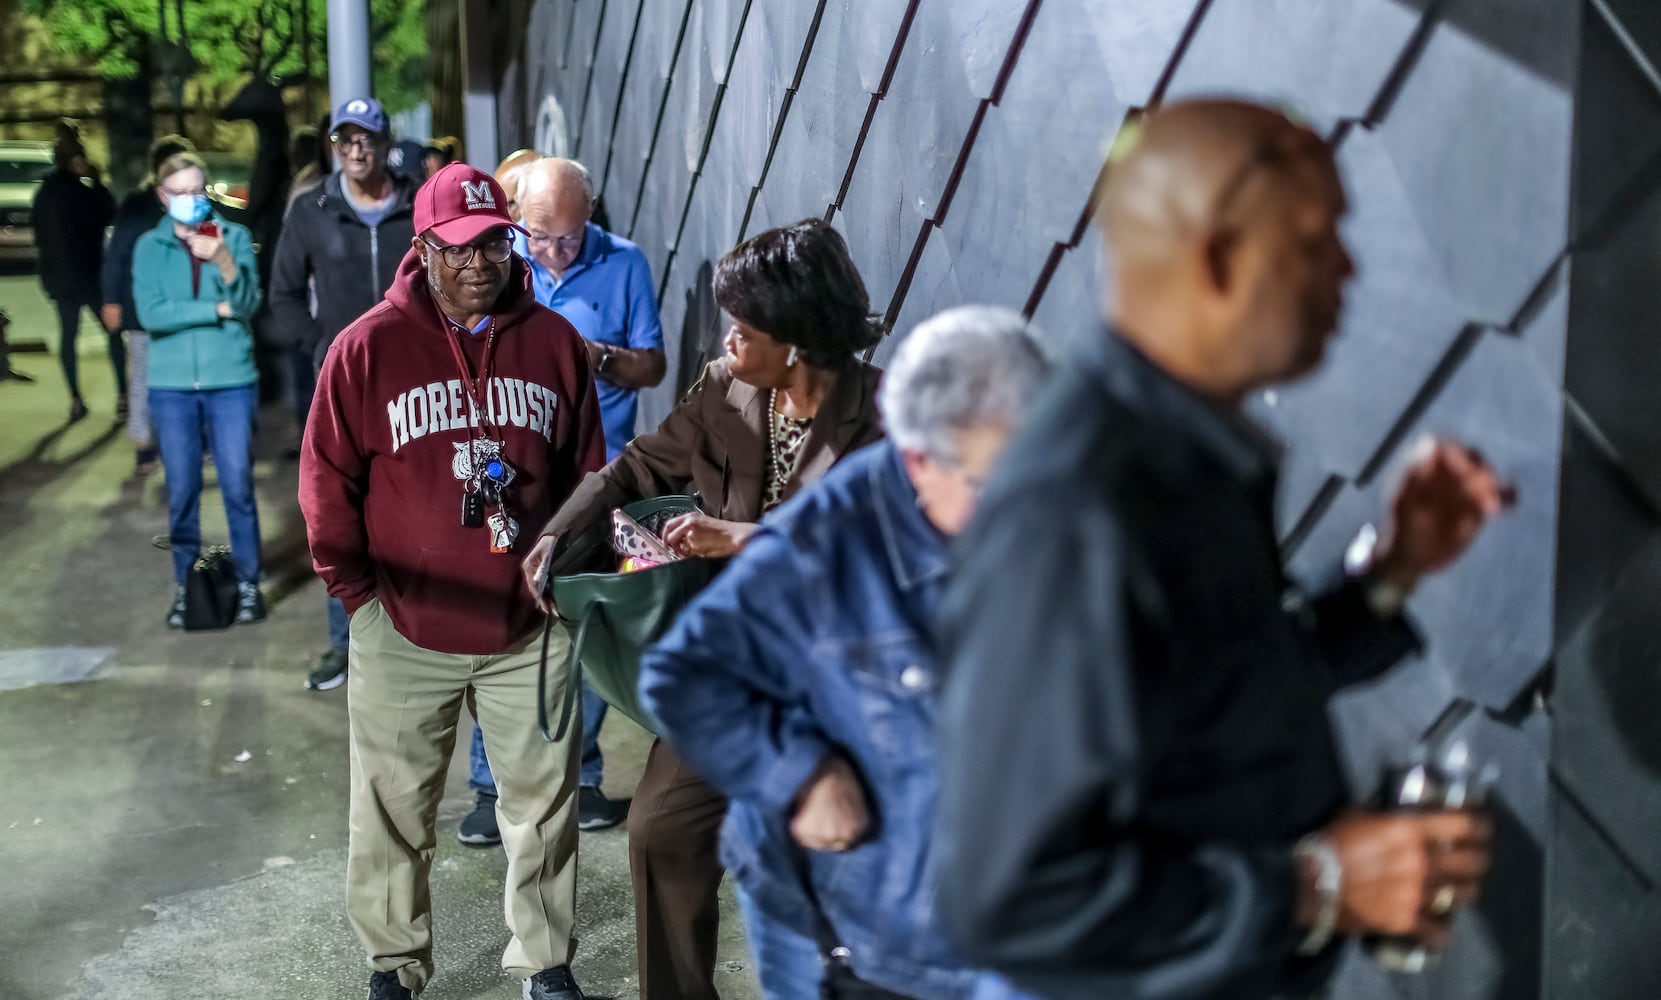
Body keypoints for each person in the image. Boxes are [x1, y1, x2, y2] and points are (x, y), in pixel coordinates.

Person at [933, 99, 1504, 1000]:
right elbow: (1009, 900)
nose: (1348, 270)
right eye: (1318, 241)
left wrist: (1388, 573)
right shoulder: (1074, 509)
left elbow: (1217, 691)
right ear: (1218, 259)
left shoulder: (1177, 458)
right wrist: (1319, 885)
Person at [639, 306, 1052, 1000]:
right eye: (986, 482)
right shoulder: (829, 534)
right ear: (917, 461)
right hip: (832, 922)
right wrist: (801, 772)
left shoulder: (1074, 511)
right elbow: (685, 674)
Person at [523, 218, 885, 1000]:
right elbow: (635, 467)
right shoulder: (723, 390)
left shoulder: (887, 415)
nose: (726, 341)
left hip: (846, 687)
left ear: (793, 341)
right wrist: (557, 536)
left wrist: (747, 537)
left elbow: (887, 551)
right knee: (661, 831)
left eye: (744, 330)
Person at [299, 163, 604, 1000]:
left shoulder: (554, 343)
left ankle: (545, 963)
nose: (480, 263)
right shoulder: (366, 347)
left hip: (529, 624)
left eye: (494, 244)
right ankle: (394, 964)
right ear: (423, 246)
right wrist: (357, 597)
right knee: (392, 808)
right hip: (403, 624)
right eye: (459, 248)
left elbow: (587, 470)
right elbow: (326, 484)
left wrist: (569, 575)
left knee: (542, 806)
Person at [461, 156, 668, 847]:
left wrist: (597, 356)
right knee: (499, 627)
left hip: (595, 479)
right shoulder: (494, 261)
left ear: (591, 216)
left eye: (567, 240)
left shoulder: (625, 263)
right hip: (506, 473)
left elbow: (653, 365)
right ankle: (490, 787)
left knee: (583, 627)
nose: (549, 254)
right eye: (537, 237)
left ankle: (578, 777)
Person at [271, 96, 419, 693]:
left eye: (367, 139)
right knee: (340, 512)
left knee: (413, 504)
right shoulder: (313, 210)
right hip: (341, 389)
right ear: (334, 146)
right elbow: (282, 295)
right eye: (345, 140)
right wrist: (321, 348)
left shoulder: (418, 203)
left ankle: (418, 632)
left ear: (386, 143)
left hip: (414, 382)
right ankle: (348, 643)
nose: (356, 150)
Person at [131, 152, 267, 628]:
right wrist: (215, 311)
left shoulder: (234, 236)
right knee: (183, 489)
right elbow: (151, 314)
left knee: (237, 487)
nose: (191, 200)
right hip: (171, 386)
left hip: (231, 379)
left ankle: (250, 583)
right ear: (162, 195)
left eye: (198, 190)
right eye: (180, 192)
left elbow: (248, 304)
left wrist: (228, 263)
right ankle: (187, 586)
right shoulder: (150, 246)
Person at [102, 133, 195, 475]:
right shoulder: (137, 205)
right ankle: (144, 444)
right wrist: (111, 300)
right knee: (143, 376)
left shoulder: (195, 203)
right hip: (143, 310)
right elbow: (116, 255)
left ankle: (189, 442)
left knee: (187, 375)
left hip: (185, 309)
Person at [32, 135, 118, 421]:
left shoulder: (45, 193)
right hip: (88, 275)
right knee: (113, 331)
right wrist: (97, 182)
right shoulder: (83, 192)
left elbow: (41, 237)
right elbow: (109, 214)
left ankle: (75, 397)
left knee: (69, 335)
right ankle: (122, 394)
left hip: (62, 278)